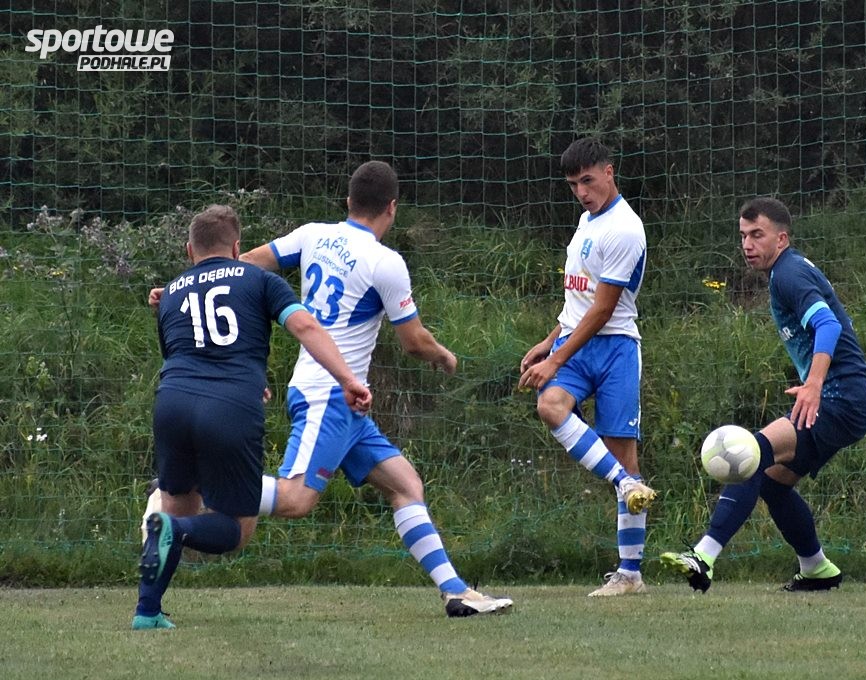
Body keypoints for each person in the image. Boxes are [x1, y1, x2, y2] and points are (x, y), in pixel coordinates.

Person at [238, 160, 512, 617]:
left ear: (348, 201)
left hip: (347, 402)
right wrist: (443, 355)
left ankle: (456, 592)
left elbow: (244, 264)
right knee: (296, 499)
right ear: (392, 207)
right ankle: (196, 490)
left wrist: (184, 289)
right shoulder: (385, 262)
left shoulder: (312, 235)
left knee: (405, 484)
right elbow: (413, 341)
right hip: (329, 394)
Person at [134, 205, 372, 630]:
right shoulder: (260, 279)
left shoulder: (170, 292)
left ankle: (147, 612)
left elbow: (182, 352)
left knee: (178, 514)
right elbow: (306, 328)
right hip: (230, 407)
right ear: (237, 247)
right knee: (234, 529)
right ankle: (171, 529)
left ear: (189, 250)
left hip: (172, 402)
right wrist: (347, 379)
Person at [660, 196, 866, 592]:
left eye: (757, 235)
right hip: (845, 399)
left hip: (840, 398)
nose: (747, 244)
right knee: (774, 484)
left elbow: (828, 326)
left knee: (752, 453)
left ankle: (704, 556)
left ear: (781, 238)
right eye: (743, 236)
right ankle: (817, 569)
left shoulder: (789, 274)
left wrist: (814, 385)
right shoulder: (786, 271)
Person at [518, 138, 657, 597]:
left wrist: (556, 358)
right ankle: (624, 483)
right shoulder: (586, 222)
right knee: (550, 405)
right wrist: (549, 342)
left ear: (609, 173)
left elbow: (602, 310)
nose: (581, 192)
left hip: (615, 348)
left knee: (624, 455)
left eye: (588, 181)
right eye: (573, 184)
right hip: (574, 344)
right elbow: (577, 301)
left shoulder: (625, 229)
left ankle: (630, 575)